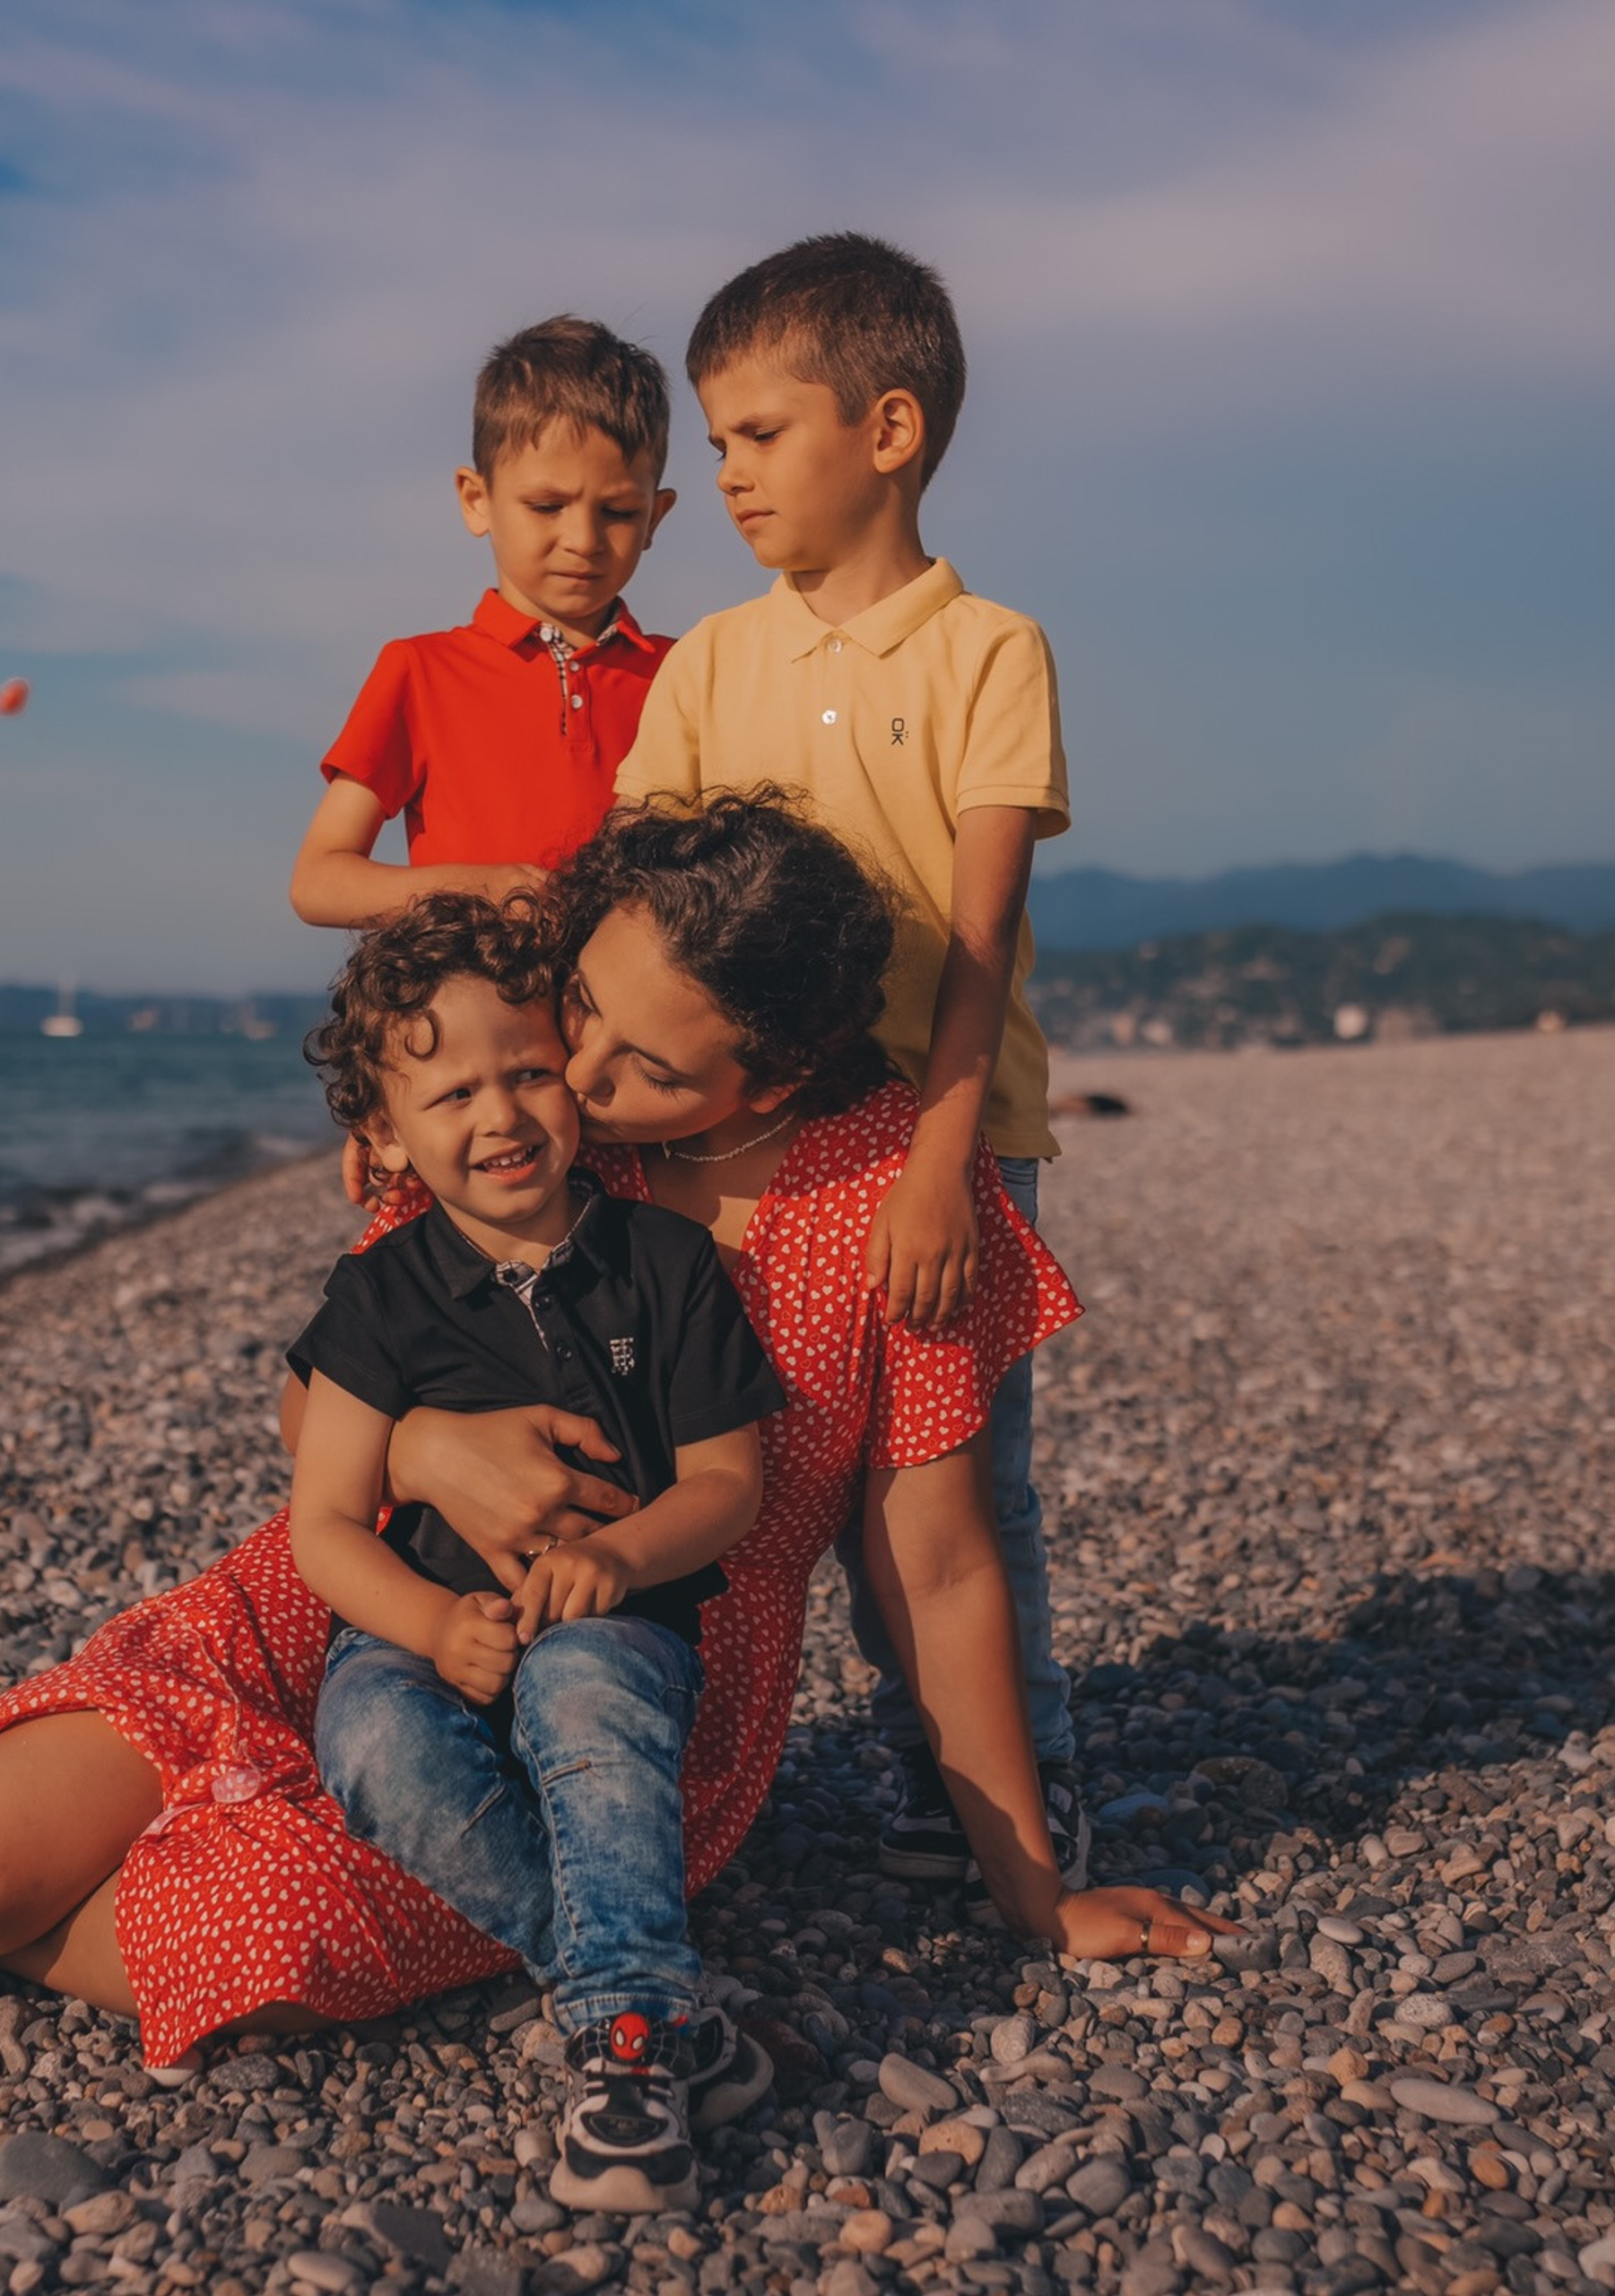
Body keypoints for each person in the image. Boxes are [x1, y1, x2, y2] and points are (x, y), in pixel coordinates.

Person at [0, 796, 1226, 2099]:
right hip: (332, 1594)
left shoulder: (894, 1213)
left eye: (638, 1063)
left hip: (607, 1724)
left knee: (232, 1943)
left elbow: (933, 1563)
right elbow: (324, 1399)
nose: (573, 1077)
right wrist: (444, 1449)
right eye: (575, 1021)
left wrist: (1035, 1892)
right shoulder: (524, 1128)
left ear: (768, 1075)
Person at [614, 232, 1089, 1892]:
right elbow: (637, 920)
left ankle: (988, 1796)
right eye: (715, 438)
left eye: (757, 433)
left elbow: (982, 939)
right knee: (728, 1468)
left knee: (946, 1501)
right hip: (740, 1155)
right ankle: (654, 1778)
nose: (724, 473)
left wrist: (946, 1165)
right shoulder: (705, 665)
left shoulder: (991, 651)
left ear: (887, 431)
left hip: (944, 1137)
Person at [288, 891, 784, 2212]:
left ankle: (624, 2057)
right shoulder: (377, 1298)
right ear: (387, 1137)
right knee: (372, 1744)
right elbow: (323, 1525)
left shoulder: (664, 1263)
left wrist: (621, 1559)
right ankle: (652, 1999)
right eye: (450, 1097)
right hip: (416, 1634)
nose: (500, 1116)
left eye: (526, 1072)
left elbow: (732, 1480)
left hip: (617, 1627)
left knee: (582, 1688)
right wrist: (426, 1624)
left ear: (571, 1064)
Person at [288, 316, 677, 929]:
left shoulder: (688, 675)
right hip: (478, 1014)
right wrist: (481, 888)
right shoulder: (419, 672)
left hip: (635, 1025)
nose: (583, 539)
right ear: (477, 500)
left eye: (619, 511)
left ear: (657, 516)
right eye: (547, 506)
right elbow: (319, 880)